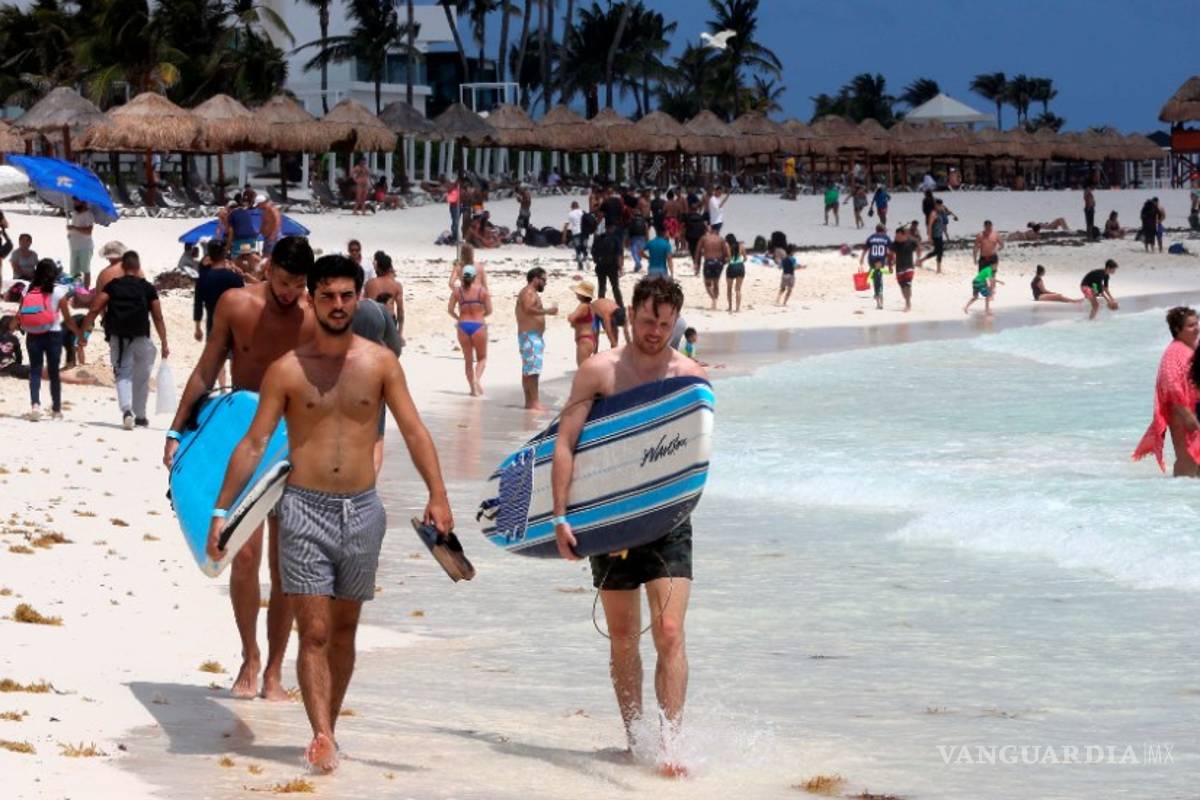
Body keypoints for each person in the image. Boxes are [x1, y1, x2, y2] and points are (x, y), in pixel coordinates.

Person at [207, 254, 451, 773]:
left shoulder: (381, 363)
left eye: (346, 296)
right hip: (303, 508)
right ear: (311, 300)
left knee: (344, 631)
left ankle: (330, 729)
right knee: (314, 630)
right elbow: (253, 444)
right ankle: (319, 733)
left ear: (357, 299)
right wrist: (221, 509)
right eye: (327, 296)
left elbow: (412, 430)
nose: (338, 305)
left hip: (363, 511)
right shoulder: (288, 370)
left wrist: (438, 495)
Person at [552, 276, 707, 770]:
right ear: (631, 315)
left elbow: (695, 453)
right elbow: (564, 443)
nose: (655, 332)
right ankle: (634, 737)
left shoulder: (689, 375)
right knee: (623, 640)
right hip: (609, 519)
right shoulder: (599, 371)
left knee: (668, 629)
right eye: (647, 321)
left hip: (667, 518)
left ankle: (669, 745)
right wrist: (559, 516)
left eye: (664, 324)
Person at [164, 235, 316, 701]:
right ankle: (249, 654)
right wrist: (175, 431)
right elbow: (208, 367)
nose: (289, 293)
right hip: (242, 439)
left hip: (292, 442)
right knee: (242, 555)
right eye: (284, 281)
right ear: (268, 268)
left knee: (285, 565)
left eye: (298, 285)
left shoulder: (312, 320)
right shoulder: (234, 303)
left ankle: (273, 668)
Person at [80, 251, 169, 429]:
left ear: (123, 267)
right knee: (142, 375)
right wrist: (164, 341)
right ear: (137, 267)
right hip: (141, 336)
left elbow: (94, 309)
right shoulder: (147, 287)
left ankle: (127, 411)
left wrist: (84, 334)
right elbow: (158, 317)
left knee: (123, 374)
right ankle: (140, 413)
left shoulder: (113, 286)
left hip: (118, 337)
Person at [1132, 307, 1200, 476]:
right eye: (1191, 326)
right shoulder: (1173, 353)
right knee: (1187, 458)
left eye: (1197, 324)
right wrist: (1186, 414)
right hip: (1181, 413)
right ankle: (1179, 495)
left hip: (1192, 409)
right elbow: (1170, 385)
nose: (1197, 328)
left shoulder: (1191, 348)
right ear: (1178, 329)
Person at [19, 259, 83, 420]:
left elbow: (20, 312)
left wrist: (11, 327)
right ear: (54, 273)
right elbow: (68, 320)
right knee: (54, 373)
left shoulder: (28, 289)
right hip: (53, 335)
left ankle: (35, 405)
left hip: (33, 334)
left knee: (35, 370)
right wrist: (79, 334)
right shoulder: (59, 291)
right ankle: (56, 410)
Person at [193, 241, 245, 389]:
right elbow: (243, 302)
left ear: (210, 255)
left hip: (213, 322)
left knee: (218, 358)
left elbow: (198, 304)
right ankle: (235, 387)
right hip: (235, 323)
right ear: (224, 254)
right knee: (235, 357)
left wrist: (197, 327)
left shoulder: (203, 279)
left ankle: (222, 389)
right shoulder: (234, 278)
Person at [516, 267, 558, 410]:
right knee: (533, 371)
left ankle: (529, 402)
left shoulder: (530, 292)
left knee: (528, 370)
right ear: (535, 279)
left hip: (530, 336)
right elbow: (528, 309)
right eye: (544, 280)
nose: (545, 283)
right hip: (530, 336)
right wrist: (548, 311)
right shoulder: (528, 292)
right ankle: (534, 402)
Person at [447, 265, 491, 396]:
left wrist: (458, 318)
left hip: (463, 325)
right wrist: (481, 316)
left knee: (468, 360)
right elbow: (489, 310)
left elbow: (450, 310)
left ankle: (473, 389)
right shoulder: (482, 291)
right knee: (482, 358)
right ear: (474, 277)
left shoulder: (457, 292)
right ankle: (477, 379)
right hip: (478, 324)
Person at [364, 251, 403, 341]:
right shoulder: (397, 285)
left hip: (374, 319)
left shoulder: (370, 284)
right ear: (389, 268)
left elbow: (365, 307)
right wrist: (400, 334)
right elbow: (400, 311)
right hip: (390, 320)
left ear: (378, 267)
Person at [696, 224, 728, 311]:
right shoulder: (721, 239)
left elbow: (698, 252)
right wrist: (723, 263)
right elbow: (726, 253)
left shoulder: (704, 238)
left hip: (709, 262)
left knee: (707, 284)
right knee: (716, 282)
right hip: (718, 262)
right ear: (717, 231)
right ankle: (715, 302)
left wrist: (697, 265)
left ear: (710, 230)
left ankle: (713, 299)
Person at [859, 224, 891, 310]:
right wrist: (891, 262)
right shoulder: (886, 238)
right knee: (879, 279)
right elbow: (891, 251)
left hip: (871, 260)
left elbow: (865, 249)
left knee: (876, 276)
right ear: (883, 230)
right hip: (880, 261)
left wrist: (861, 259)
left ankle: (877, 295)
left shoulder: (871, 237)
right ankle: (879, 299)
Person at [567, 280, 599, 366]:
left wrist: (569, 316)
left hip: (584, 340)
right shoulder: (591, 306)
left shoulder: (583, 306)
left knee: (582, 370)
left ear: (582, 294)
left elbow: (572, 318)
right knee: (586, 370)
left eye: (577, 293)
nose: (576, 294)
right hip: (590, 338)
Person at [591, 227, 624, 308]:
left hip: (600, 266)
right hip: (612, 266)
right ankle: (620, 305)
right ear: (612, 228)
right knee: (615, 287)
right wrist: (620, 267)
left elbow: (593, 251)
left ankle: (600, 305)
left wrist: (596, 261)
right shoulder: (615, 239)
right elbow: (619, 254)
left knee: (601, 286)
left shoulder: (599, 238)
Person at [891, 225, 920, 313]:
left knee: (907, 285)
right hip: (899, 268)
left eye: (899, 236)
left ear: (904, 235)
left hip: (909, 267)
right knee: (902, 287)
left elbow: (918, 246)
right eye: (896, 236)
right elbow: (890, 254)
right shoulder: (895, 244)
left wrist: (918, 258)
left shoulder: (911, 241)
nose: (897, 238)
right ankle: (907, 300)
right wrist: (890, 263)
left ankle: (908, 304)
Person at [67, 199, 95, 287]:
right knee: (74, 271)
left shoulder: (88, 214)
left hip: (85, 247)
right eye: (74, 201)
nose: (74, 203)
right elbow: (75, 227)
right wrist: (70, 233)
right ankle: (75, 288)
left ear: (83, 202)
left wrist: (74, 228)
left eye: (76, 201)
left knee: (85, 270)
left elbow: (88, 231)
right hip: (74, 246)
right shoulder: (75, 213)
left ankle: (86, 290)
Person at [724, 234, 745, 313]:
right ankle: (737, 308)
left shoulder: (728, 247)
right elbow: (745, 258)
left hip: (731, 267)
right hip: (740, 267)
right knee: (738, 289)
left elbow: (728, 259)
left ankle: (730, 307)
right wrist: (740, 262)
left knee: (729, 289)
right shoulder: (741, 246)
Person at [563, 201, 588, 268]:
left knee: (578, 248)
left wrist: (564, 236)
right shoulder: (583, 212)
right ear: (578, 206)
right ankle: (586, 259)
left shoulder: (570, 214)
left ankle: (580, 263)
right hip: (584, 232)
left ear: (571, 207)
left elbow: (566, 225)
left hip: (576, 233)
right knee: (584, 247)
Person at [627, 207, 649, 273]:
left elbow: (629, 230)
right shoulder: (644, 220)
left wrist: (628, 239)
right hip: (642, 237)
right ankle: (637, 265)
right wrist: (647, 238)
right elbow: (646, 229)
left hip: (634, 237)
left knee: (634, 252)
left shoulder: (632, 220)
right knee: (640, 252)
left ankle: (638, 264)